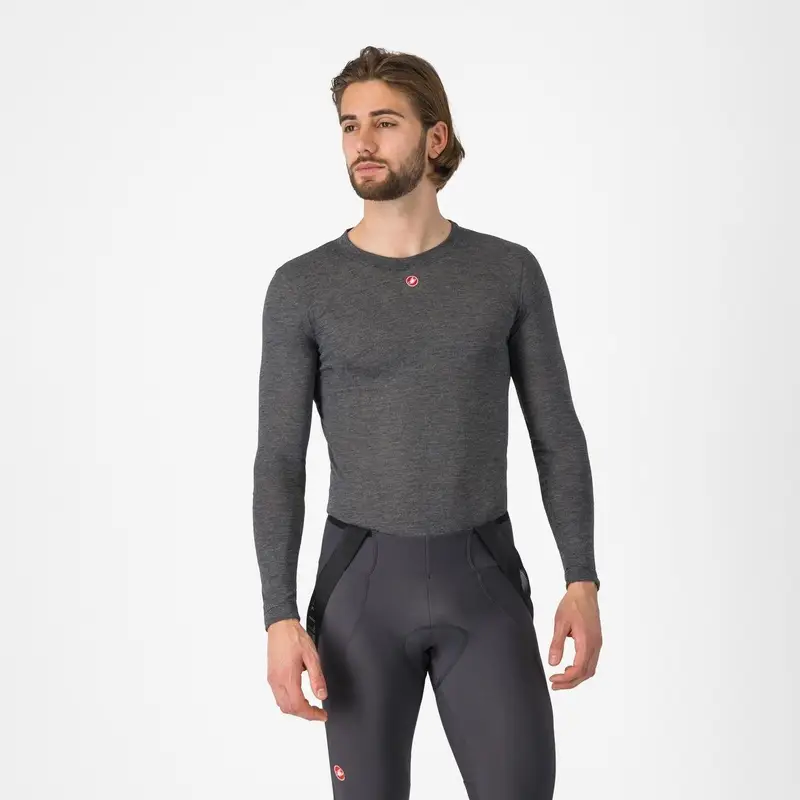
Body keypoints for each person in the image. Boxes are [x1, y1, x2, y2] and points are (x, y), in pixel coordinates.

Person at [252, 45, 602, 800]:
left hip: (485, 585)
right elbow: (278, 460)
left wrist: (582, 577)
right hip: (358, 598)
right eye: (350, 125)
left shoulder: (506, 272)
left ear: (435, 137)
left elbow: (556, 434)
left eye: (385, 122)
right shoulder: (303, 287)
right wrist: (279, 617)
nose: (363, 142)